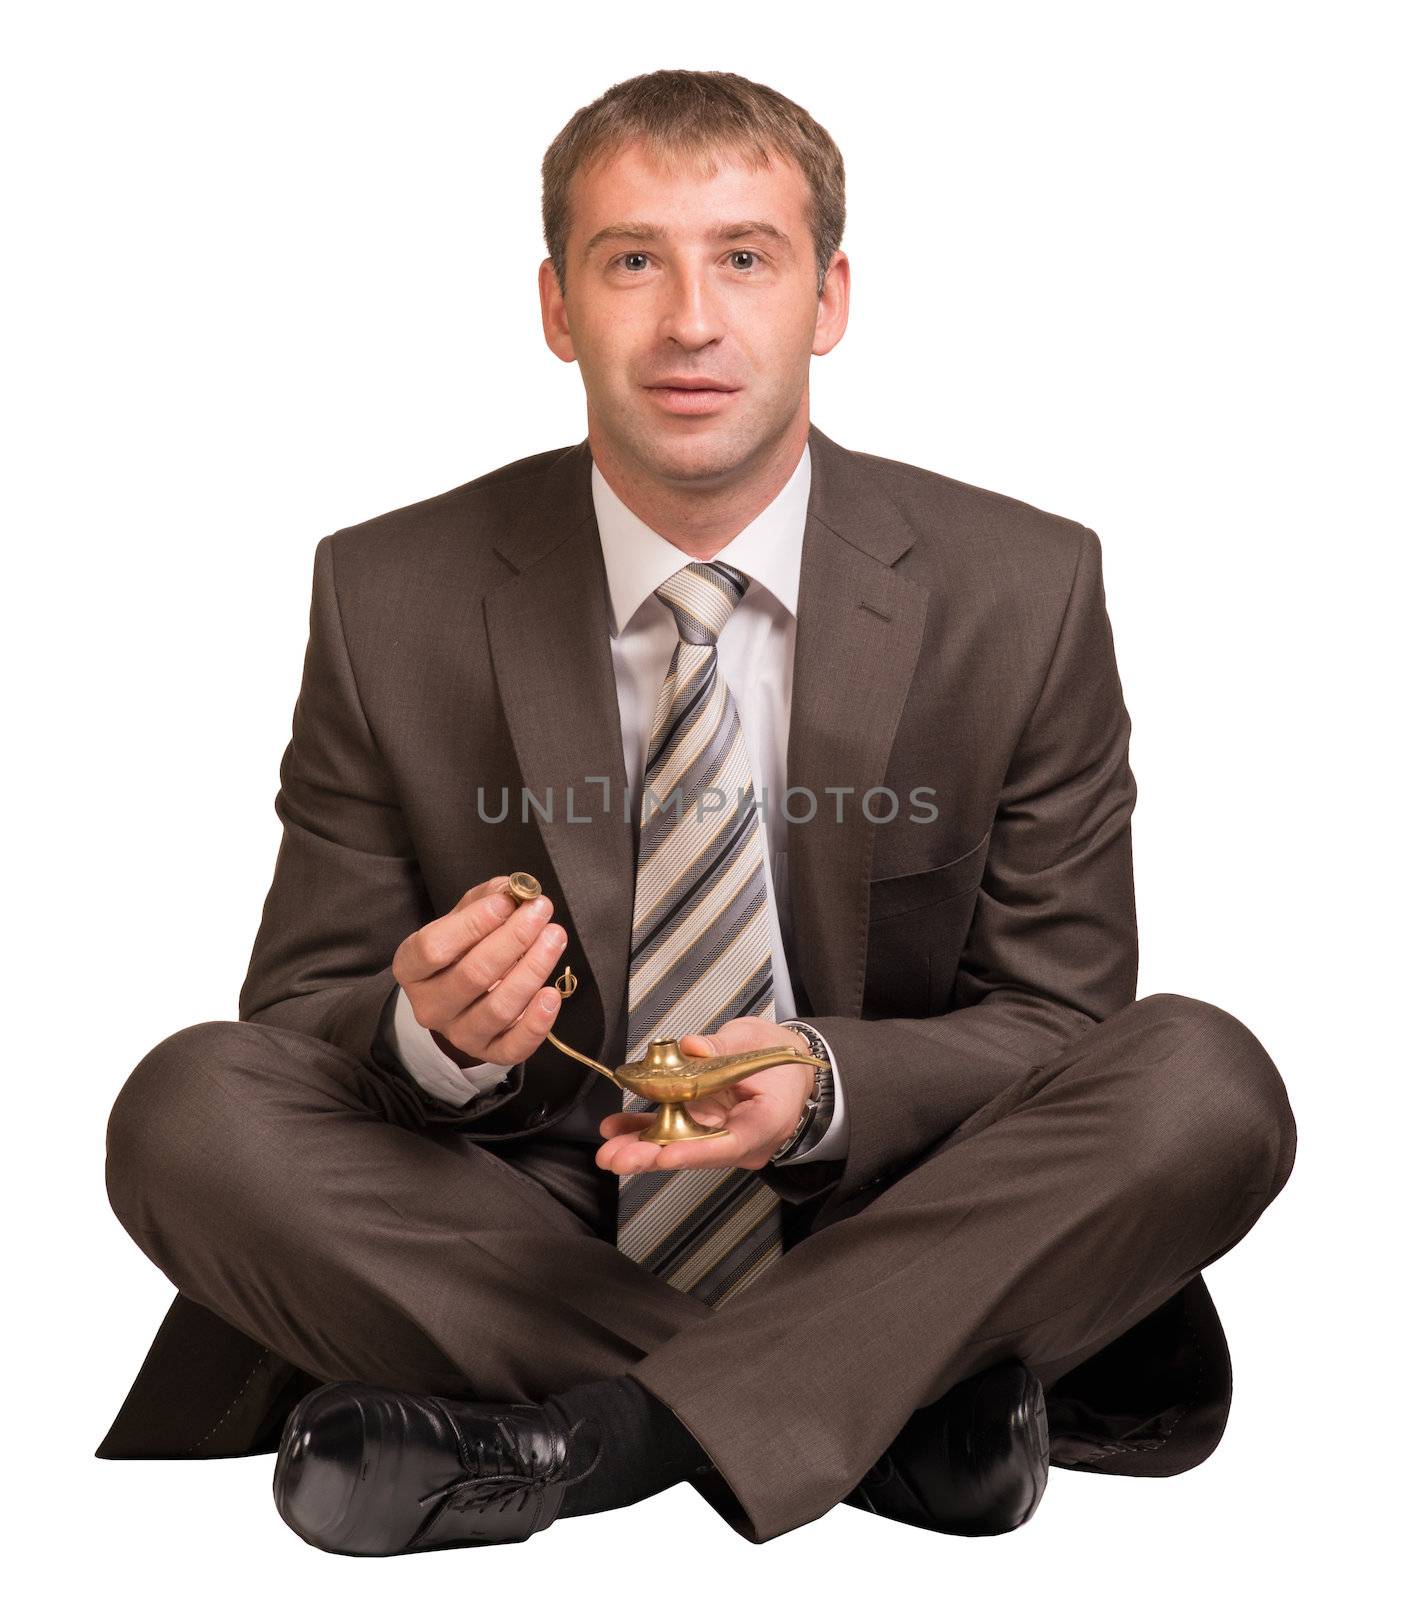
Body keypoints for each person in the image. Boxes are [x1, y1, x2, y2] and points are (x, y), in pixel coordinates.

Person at [96, 67, 1297, 1554]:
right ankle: (887, 1413)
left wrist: (826, 1085)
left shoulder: (1024, 589)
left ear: (829, 297)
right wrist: (431, 1037)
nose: (689, 320)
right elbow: (293, 1025)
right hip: (525, 1228)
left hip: (892, 1214)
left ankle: (586, 1444)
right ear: (555, 306)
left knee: (1205, 1079)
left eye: (744, 256)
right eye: (631, 261)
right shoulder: (386, 591)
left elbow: (1060, 1027)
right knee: (187, 1109)